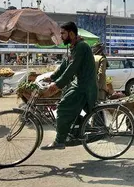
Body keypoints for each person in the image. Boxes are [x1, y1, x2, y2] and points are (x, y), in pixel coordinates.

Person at [41, 21, 97, 150]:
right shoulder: (73, 47)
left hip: (84, 86)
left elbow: (72, 69)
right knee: (67, 106)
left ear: (71, 34)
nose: (61, 36)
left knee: (62, 108)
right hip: (77, 84)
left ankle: (59, 141)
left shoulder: (82, 47)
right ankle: (76, 131)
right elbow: (64, 67)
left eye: (63, 33)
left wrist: (57, 85)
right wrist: (51, 77)